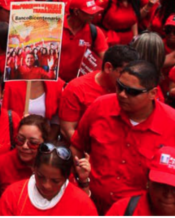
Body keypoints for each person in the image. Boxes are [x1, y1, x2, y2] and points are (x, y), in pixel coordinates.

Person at [71, 60, 175, 214]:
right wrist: (82, 181)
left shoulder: (171, 124)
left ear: (152, 93)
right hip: (90, 206)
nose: (122, 95)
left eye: (131, 92)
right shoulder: (100, 106)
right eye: (120, 87)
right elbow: (77, 146)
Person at [59, 45, 139, 141]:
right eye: (124, 73)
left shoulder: (135, 89)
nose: (130, 79)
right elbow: (67, 130)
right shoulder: (76, 89)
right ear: (108, 68)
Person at [0, 143, 96, 215]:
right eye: (41, 176)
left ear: (66, 177)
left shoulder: (82, 204)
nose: (46, 185)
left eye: (55, 181)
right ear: (34, 168)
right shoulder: (14, 195)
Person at [0, 115, 50, 209]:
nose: (25, 146)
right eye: (20, 139)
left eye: (33, 143)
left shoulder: (52, 166)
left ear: (44, 144)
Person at [106, 146, 175, 216]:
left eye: (174, 188)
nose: (168, 194)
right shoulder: (122, 210)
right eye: (161, 185)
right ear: (148, 180)